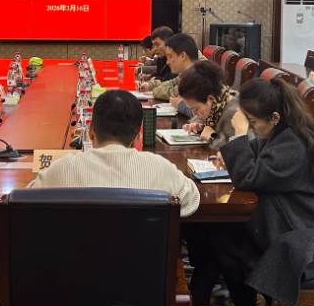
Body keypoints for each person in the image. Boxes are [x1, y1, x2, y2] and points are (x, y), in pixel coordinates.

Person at [190, 79, 314, 306]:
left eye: (253, 122)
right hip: (288, 214)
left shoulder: (293, 143)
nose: (252, 128)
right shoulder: (282, 131)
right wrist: (233, 150)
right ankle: (200, 300)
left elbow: (247, 178)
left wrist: (239, 135)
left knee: (223, 237)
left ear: (274, 117)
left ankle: (213, 304)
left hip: (305, 230)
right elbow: (253, 155)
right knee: (217, 231)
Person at [28, 90, 200, 217]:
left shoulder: (61, 169)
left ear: (90, 132)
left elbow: (26, 202)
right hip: (141, 257)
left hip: (75, 257)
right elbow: (191, 198)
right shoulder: (161, 168)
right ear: (137, 139)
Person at [179, 61, 250, 151]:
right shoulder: (221, 98)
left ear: (210, 99)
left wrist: (212, 137)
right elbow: (209, 117)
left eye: (196, 109)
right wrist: (200, 126)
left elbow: (238, 151)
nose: (194, 114)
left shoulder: (233, 113)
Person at [140, 33, 201, 116]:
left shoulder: (199, 76)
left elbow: (199, 113)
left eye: (170, 57)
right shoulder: (188, 73)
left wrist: (179, 104)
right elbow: (172, 82)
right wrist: (150, 85)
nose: (168, 62)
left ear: (182, 56)